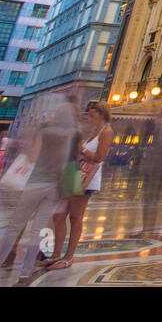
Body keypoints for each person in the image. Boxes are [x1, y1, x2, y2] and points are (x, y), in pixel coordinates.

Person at [0, 98, 79, 285]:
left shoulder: (46, 130)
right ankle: (25, 274)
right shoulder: (74, 134)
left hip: (36, 183)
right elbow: (72, 161)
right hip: (56, 187)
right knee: (37, 231)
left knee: (15, 227)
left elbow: (33, 155)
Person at [45, 100, 113, 270]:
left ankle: (68, 258)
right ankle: (56, 254)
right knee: (59, 215)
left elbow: (99, 158)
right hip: (75, 171)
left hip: (87, 178)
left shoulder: (106, 131)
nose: (89, 119)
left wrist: (82, 149)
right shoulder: (94, 130)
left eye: (92, 115)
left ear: (102, 114)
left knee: (76, 217)